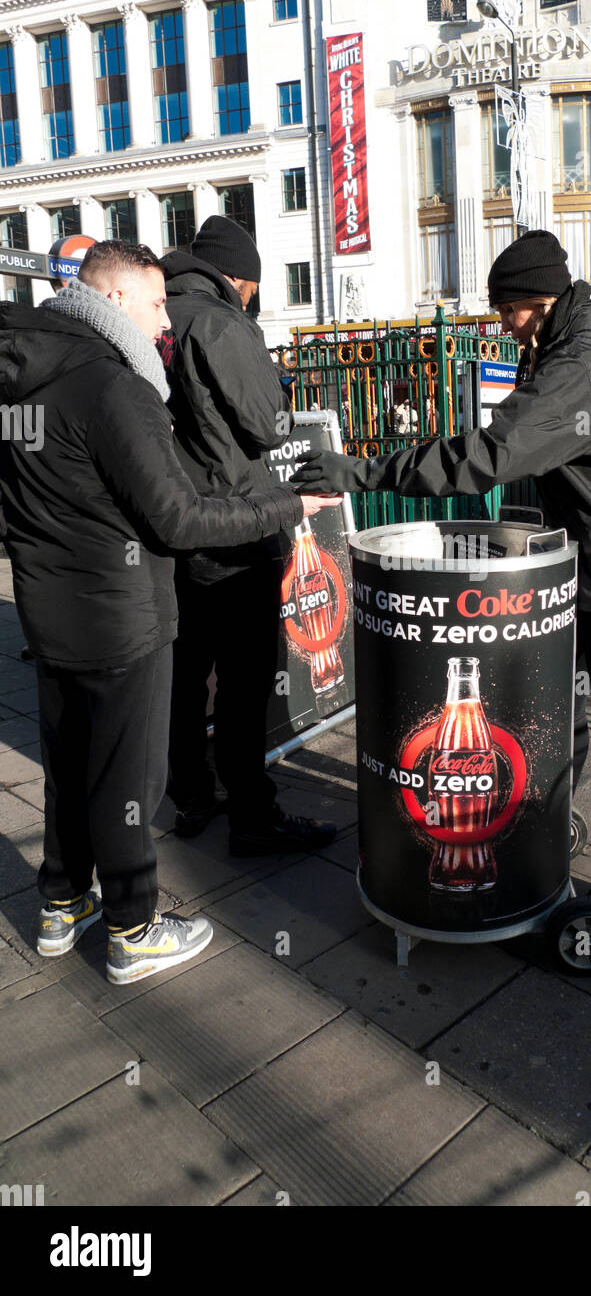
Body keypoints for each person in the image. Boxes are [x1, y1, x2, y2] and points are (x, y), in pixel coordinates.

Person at [294, 229, 591, 919]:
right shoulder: (569, 349)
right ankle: (547, 829)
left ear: (536, 301)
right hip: (588, 558)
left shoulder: (578, 366)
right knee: (565, 722)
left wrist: (360, 472)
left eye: (506, 311)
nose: (501, 326)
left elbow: (486, 457)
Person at [0, 240, 335, 983]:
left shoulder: (20, 385)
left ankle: (62, 904)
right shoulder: (113, 388)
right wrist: (288, 502)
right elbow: (178, 520)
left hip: (48, 612)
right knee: (126, 777)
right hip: (121, 616)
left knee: (68, 765)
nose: (163, 326)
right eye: (155, 305)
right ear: (113, 300)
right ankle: (132, 926)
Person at [161, 216, 334, 855]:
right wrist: (279, 395)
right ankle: (253, 817)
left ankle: (191, 797)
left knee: (183, 678)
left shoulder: (157, 311)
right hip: (235, 528)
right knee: (243, 682)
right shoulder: (221, 321)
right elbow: (267, 427)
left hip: (170, 527)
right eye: (254, 289)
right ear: (240, 279)